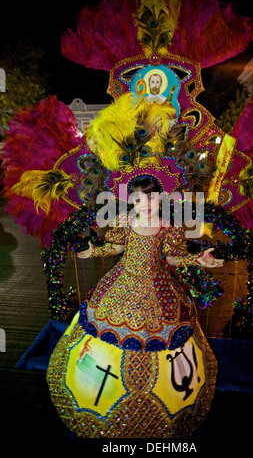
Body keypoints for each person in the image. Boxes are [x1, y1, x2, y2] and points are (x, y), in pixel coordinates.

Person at [46, 175, 223, 438]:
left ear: (160, 198)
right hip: (121, 284)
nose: (145, 204)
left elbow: (173, 260)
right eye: (138, 199)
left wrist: (199, 259)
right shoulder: (125, 223)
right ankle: (97, 394)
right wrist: (93, 252)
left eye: (151, 197)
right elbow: (115, 248)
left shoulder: (168, 227)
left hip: (159, 290)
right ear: (131, 200)